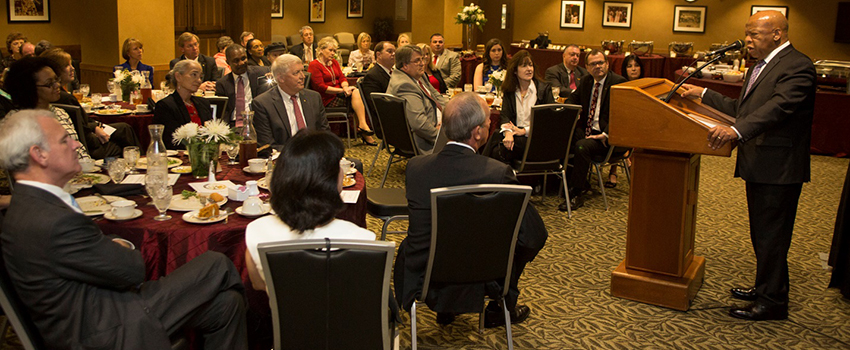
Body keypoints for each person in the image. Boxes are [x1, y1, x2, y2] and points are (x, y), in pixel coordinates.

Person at [0, 110, 248, 350]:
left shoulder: (28, 203)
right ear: (39, 155)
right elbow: (132, 270)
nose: (76, 144)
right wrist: (122, 246)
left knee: (227, 304)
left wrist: (114, 244)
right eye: (65, 140)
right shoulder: (51, 220)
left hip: (100, 305)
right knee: (218, 263)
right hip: (105, 327)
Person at [679, 11, 816, 321]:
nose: (748, 40)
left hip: (779, 166)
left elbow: (777, 108)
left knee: (772, 235)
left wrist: (736, 131)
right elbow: (744, 109)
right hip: (760, 163)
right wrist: (703, 94)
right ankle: (766, 286)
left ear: (777, 34)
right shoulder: (760, 66)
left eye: (754, 34)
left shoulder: (797, 65)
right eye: (748, 33)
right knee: (762, 232)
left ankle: (773, 302)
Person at [395, 92, 548, 327]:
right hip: (483, 273)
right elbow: (535, 235)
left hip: (426, 274)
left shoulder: (416, 168)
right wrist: (508, 270)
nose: (490, 127)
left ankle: (447, 305)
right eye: (489, 124)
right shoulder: (497, 173)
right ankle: (498, 307)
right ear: (477, 132)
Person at [245, 129, 374, 291]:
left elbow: (258, 285)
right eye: (338, 165)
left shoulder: (256, 232)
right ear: (328, 182)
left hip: (286, 316)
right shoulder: (363, 241)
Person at [561, 50, 628, 211]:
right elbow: (572, 99)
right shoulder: (586, 81)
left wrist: (606, 133)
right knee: (565, 137)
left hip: (608, 138)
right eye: (593, 64)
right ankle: (577, 182)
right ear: (587, 67)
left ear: (607, 64)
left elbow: (623, 114)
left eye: (600, 63)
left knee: (582, 146)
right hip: (589, 131)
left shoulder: (618, 83)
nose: (597, 67)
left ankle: (576, 193)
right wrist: (571, 111)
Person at [43, 48, 140, 159]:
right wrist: (95, 129)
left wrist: (95, 127)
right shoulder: (64, 98)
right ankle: (138, 162)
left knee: (124, 128)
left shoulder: (55, 95)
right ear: (56, 71)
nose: (73, 68)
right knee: (123, 134)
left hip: (88, 134)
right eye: (67, 65)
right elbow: (83, 130)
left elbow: (84, 122)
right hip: (87, 146)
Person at [5, 57, 92, 161]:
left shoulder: (60, 113)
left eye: (56, 80)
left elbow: (80, 151)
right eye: (49, 83)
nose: (58, 85)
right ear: (30, 89)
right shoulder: (17, 122)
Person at [484, 50, 555, 163]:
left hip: (537, 140)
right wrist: (508, 133)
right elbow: (505, 116)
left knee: (497, 141)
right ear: (515, 70)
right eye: (524, 66)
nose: (529, 69)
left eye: (530, 65)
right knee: (499, 147)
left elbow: (548, 121)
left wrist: (524, 131)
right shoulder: (510, 91)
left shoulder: (543, 89)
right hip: (516, 139)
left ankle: (481, 169)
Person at [252, 54, 328, 155]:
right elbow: (267, 145)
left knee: (355, 164)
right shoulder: (262, 104)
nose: (303, 76)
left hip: (315, 155)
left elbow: (325, 132)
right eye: (296, 73)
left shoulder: (313, 98)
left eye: (302, 71)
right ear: (281, 78)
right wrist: (301, 152)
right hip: (286, 158)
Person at [307, 37, 376, 145]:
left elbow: (342, 78)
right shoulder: (314, 65)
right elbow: (321, 87)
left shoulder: (333, 62)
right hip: (326, 98)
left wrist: (345, 88)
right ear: (321, 50)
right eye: (330, 50)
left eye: (334, 51)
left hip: (339, 94)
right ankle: (363, 128)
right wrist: (341, 90)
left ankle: (362, 126)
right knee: (357, 95)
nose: (333, 53)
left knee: (356, 92)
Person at [386, 44, 447, 154]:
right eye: (417, 61)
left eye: (422, 59)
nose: (423, 63)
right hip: (425, 139)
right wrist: (441, 138)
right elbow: (419, 124)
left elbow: (436, 96)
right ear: (405, 65)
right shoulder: (404, 85)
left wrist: (449, 113)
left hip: (440, 123)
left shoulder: (418, 75)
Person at [603, 54, 644, 189]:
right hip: (621, 125)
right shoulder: (619, 85)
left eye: (636, 66)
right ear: (624, 69)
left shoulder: (646, 85)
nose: (633, 69)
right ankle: (614, 170)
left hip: (640, 125)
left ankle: (635, 165)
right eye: (629, 66)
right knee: (619, 129)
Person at [153, 60, 213, 149]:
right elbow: (171, 141)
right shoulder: (165, 105)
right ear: (178, 77)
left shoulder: (203, 103)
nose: (199, 80)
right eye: (194, 75)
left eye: (200, 76)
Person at [215, 44, 271, 128]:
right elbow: (223, 113)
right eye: (236, 61)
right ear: (228, 62)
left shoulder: (261, 73)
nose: (241, 63)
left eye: (243, 58)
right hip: (233, 125)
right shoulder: (222, 83)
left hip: (257, 123)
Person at [356, 41, 395, 135]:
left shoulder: (395, 73)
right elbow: (377, 105)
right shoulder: (372, 76)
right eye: (389, 51)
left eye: (394, 51)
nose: (393, 54)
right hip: (386, 121)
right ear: (379, 54)